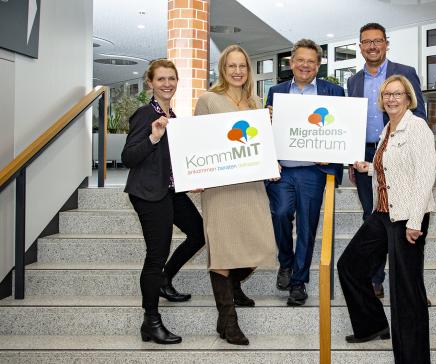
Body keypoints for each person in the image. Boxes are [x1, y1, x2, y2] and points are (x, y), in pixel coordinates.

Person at [338, 75, 435, 364]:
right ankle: (372, 324)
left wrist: (415, 221)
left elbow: (424, 176)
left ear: (408, 98)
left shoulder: (417, 127)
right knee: (349, 265)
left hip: (408, 216)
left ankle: (413, 359)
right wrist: (368, 167)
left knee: (406, 291)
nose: (391, 99)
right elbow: (391, 168)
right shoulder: (387, 129)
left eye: (397, 94)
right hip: (383, 213)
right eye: (386, 94)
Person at [194, 45, 278, 346]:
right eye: (232, 66)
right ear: (223, 68)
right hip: (219, 189)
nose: (238, 71)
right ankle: (229, 322)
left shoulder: (256, 102)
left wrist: (271, 162)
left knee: (263, 245)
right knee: (223, 251)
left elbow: (262, 144)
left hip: (251, 185)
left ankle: (226, 296)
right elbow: (197, 143)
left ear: (249, 69)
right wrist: (196, 176)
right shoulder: (208, 100)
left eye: (242, 65)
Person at [122, 59, 205, 344]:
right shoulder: (145, 114)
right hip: (148, 194)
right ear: (150, 83)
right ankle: (151, 322)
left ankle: (165, 279)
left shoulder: (175, 117)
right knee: (155, 254)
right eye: (161, 79)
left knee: (199, 233)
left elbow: (176, 161)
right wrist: (153, 138)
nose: (167, 84)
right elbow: (129, 157)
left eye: (171, 78)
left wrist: (192, 178)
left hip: (171, 191)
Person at [347, 23, 427, 298]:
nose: (372, 46)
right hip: (367, 155)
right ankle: (375, 278)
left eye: (377, 41)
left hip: (399, 152)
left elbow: (420, 116)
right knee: (373, 218)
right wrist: (352, 159)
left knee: (401, 218)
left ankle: (411, 284)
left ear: (386, 44)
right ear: (360, 47)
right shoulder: (354, 81)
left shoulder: (404, 73)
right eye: (366, 42)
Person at [265, 39, 345, 306]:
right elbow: (266, 132)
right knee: (281, 214)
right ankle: (285, 263)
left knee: (308, 227)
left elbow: (342, 130)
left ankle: (298, 283)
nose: (305, 65)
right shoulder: (276, 91)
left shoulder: (333, 91)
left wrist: (333, 156)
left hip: (313, 170)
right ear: (291, 62)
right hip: (282, 170)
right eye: (300, 60)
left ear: (318, 65)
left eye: (311, 61)